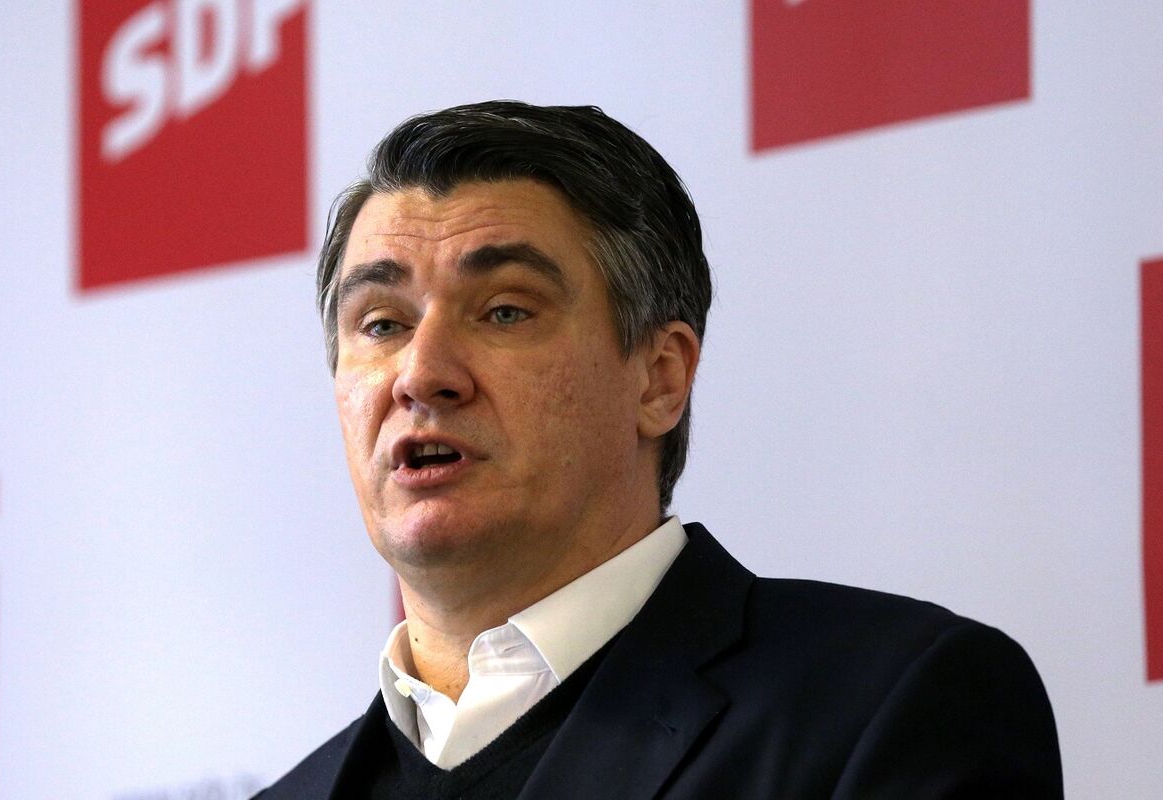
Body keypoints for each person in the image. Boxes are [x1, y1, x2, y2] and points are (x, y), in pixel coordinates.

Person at [256, 101, 1063, 799]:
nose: (421, 374)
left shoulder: (888, 702)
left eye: (504, 311)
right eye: (382, 324)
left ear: (659, 379)